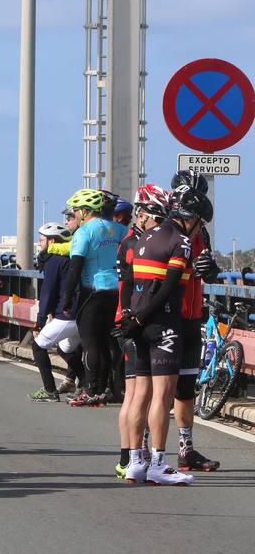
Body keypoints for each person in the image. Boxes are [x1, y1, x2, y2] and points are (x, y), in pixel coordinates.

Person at [116, 185, 193, 486]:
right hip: (162, 324)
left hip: (136, 327)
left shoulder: (139, 240)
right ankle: (159, 463)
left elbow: (128, 286)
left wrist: (129, 318)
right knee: (162, 396)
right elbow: (170, 287)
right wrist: (143, 316)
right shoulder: (180, 241)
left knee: (139, 394)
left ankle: (136, 461)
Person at [169, 176, 222, 472]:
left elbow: (209, 271)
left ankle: (185, 449)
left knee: (186, 389)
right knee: (159, 390)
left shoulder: (202, 233)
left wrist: (210, 269)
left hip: (191, 318)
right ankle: (144, 451)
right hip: (167, 317)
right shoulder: (164, 232)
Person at [59, 188, 125, 407]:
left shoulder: (83, 232)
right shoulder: (119, 229)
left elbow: (74, 269)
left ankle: (90, 390)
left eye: (76, 211)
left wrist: (67, 299)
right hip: (115, 291)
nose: (74, 214)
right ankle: (103, 390)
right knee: (105, 342)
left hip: (92, 291)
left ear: (86, 211)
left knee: (90, 344)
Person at [28, 222, 85, 402]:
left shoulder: (54, 260)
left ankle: (50, 391)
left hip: (66, 314)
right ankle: (84, 383)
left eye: (42, 239)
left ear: (52, 241)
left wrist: (39, 320)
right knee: (64, 348)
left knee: (38, 346)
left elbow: (47, 293)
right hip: (80, 313)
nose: (39, 243)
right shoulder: (70, 257)